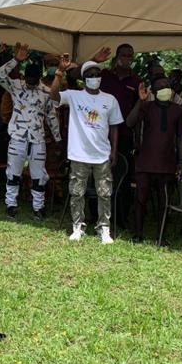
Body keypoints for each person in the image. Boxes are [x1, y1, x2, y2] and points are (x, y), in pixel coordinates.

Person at [50, 57, 123, 244]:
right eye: (90, 75)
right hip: (79, 154)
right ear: (84, 79)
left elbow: (114, 127)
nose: (94, 77)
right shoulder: (74, 95)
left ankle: (104, 228)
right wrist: (59, 72)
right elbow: (54, 96)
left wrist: (114, 151)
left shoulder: (110, 100)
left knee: (104, 193)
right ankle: (78, 226)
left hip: (102, 155)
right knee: (77, 192)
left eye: (97, 74)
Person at [0, 44, 62, 220]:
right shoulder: (16, 86)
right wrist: (16, 60)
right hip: (17, 137)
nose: (30, 82)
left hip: (38, 139)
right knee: (13, 172)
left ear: (39, 77)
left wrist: (58, 138)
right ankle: (11, 204)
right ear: (25, 77)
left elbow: (51, 116)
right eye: (28, 79)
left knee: (39, 175)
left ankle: (38, 207)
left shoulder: (46, 92)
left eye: (34, 79)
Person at [127, 75, 182, 243]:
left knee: (164, 202)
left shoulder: (177, 110)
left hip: (167, 164)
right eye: (160, 87)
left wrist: (181, 161)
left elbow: (180, 137)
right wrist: (140, 101)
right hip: (145, 162)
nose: (165, 89)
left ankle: (161, 236)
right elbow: (130, 122)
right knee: (140, 200)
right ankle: (138, 234)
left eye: (167, 86)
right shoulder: (146, 107)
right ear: (153, 92)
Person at [100, 44, 140, 227]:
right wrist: (96, 60)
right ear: (117, 57)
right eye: (124, 55)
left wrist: (137, 139)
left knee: (121, 176)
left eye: (130, 56)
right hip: (100, 133)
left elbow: (138, 113)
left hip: (124, 135)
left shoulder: (136, 81)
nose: (127, 59)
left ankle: (120, 217)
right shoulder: (104, 76)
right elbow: (77, 75)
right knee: (99, 173)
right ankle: (97, 214)